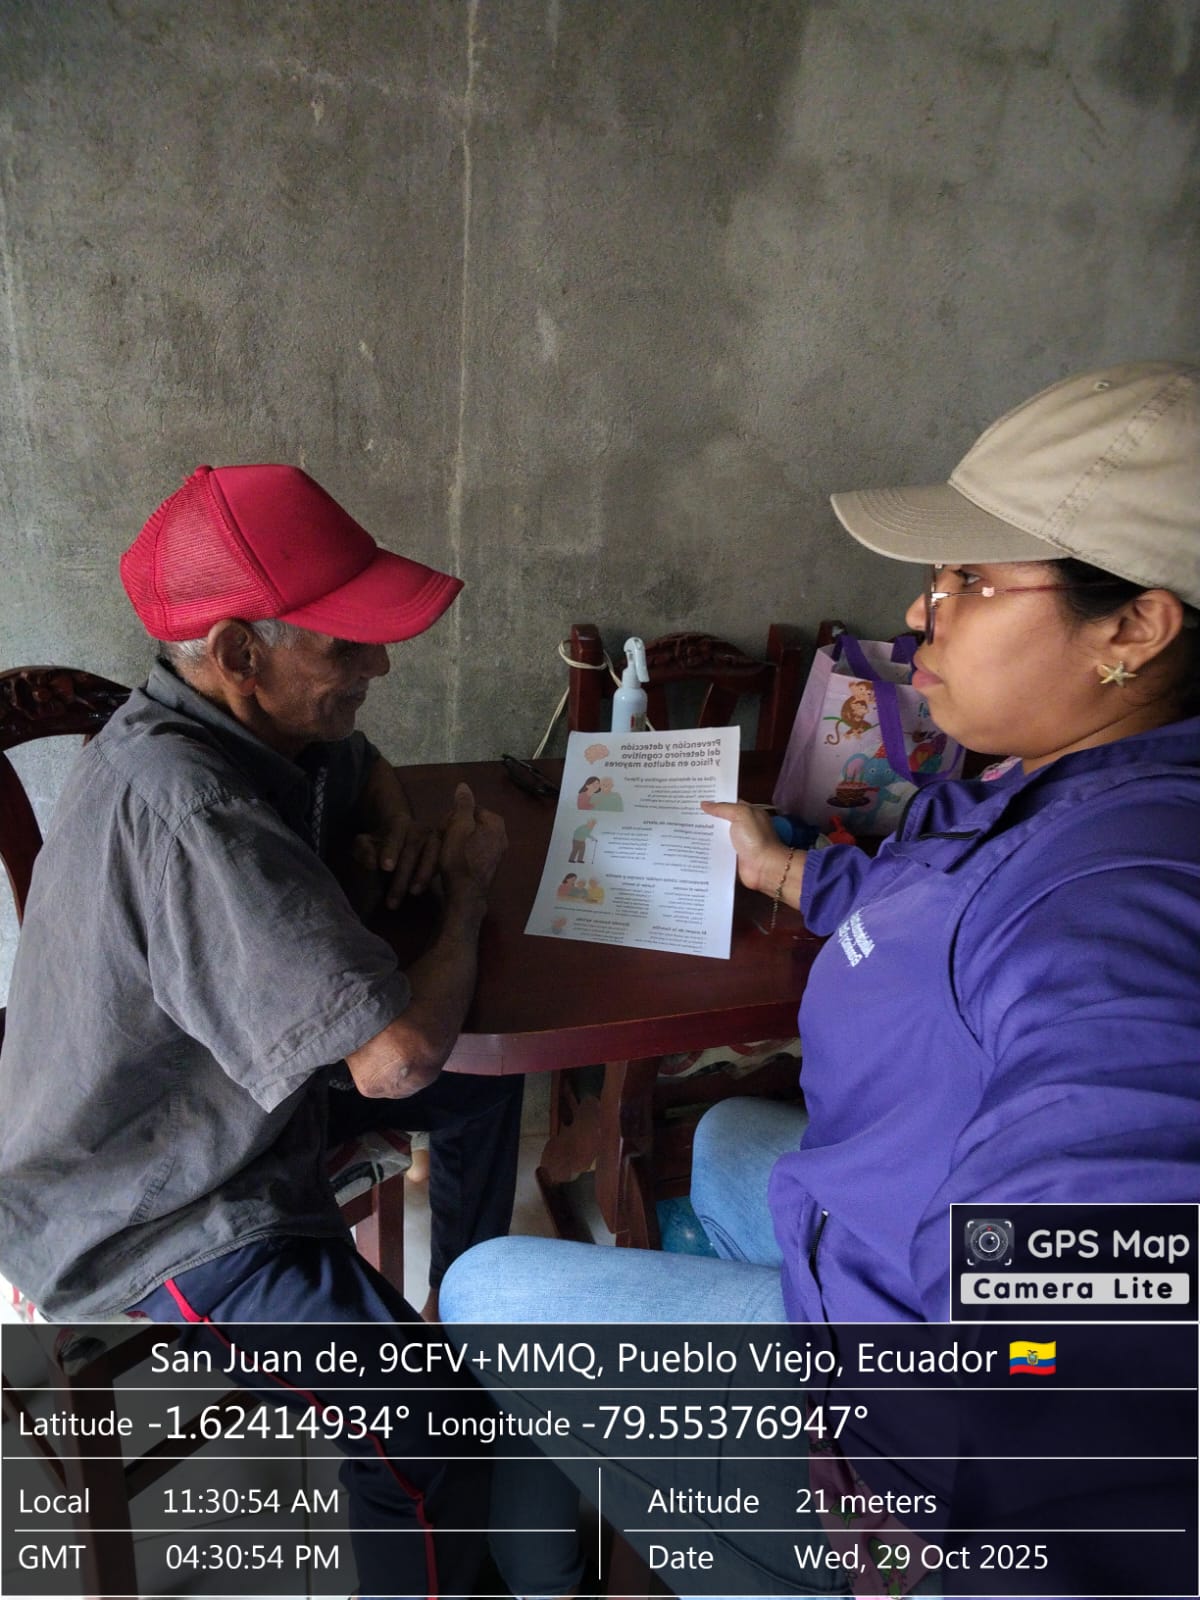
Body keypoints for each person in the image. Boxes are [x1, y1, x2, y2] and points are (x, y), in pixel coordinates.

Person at [439, 360, 1200, 1596]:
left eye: (971, 580)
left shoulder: (1126, 899)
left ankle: (638, 1559)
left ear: (1134, 627)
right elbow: (936, 897)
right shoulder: (1040, 775)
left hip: (904, 1449)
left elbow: (1105, 1331)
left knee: (484, 1286)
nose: (920, 611)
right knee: (731, 1132)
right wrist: (784, 872)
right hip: (889, 1223)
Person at [0, 462, 523, 1597]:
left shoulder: (249, 731)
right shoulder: (196, 809)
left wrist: (395, 827)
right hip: (149, 1200)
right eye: (347, 645)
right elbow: (395, 1062)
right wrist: (466, 895)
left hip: (239, 1099)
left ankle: (471, 1310)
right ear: (240, 651)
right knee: (429, 1429)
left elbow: (363, 766)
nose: (379, 665)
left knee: (491, 1083)